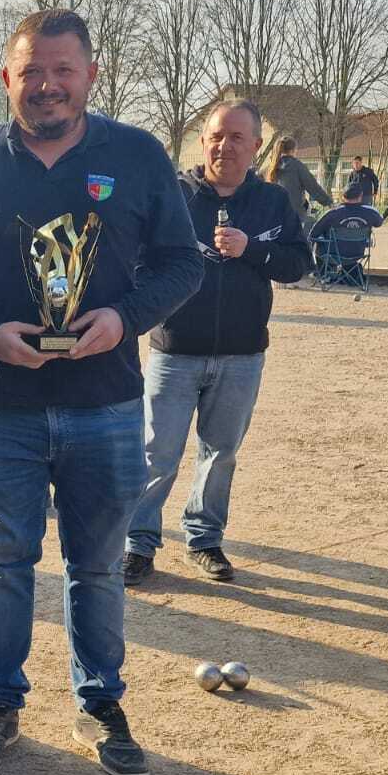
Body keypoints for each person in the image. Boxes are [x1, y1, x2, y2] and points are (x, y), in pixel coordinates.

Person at [0, 9, 201, 775]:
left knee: (99, 565)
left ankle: (101, 703)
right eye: (31, 71)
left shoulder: (138, 155)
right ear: (6, 79)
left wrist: (124, 319)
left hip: (105, 401)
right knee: (4, 557)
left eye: (63, 70)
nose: (47, 85)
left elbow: (183, 264)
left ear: (90, 75)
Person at [121, 100, 310, 587]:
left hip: (242, 354)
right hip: (175, 349)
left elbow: (297, 263)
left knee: (220, 453)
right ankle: (137, 543)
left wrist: (253, 249)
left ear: (256, 146)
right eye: (217, 136)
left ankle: (204, 538)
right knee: (156, 453)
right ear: (203, 141)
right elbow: (138, 261)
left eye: (237, 138)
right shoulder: (174, 195)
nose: (225, 146)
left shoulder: (272, 201)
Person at [309, 184, 385, 277]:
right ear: (361, 195)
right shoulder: (371, 212)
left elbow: (313, 234)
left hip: (333, 253)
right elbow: (379, 223)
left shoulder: (333, 213)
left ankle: (324, 273)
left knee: (320, 240)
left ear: (343, 196)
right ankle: (348, 273)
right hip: (357, 252)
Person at [262, 135, 331, 232]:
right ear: (293, 150)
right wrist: (328, 202)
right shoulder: (297, 166)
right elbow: (313, 187)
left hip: (274, 215)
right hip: (295, 215)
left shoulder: (270, 168)